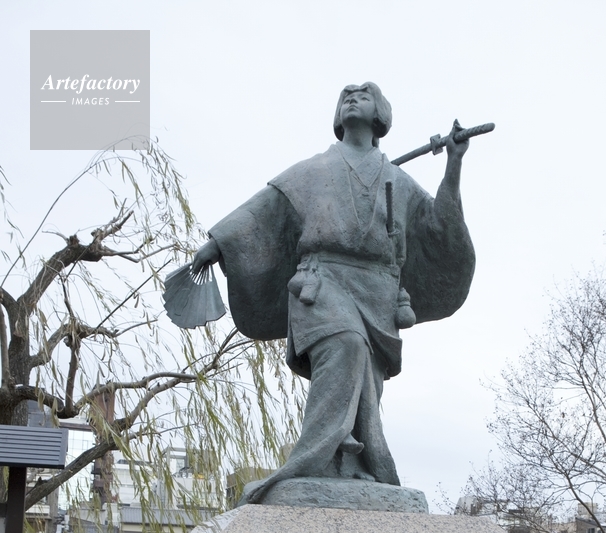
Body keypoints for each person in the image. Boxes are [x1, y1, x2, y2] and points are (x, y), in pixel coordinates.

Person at [192, 82, 475, 503]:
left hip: (379, 291)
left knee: (368, 383)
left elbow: (439, 227)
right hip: (321, 281)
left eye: (363, 95)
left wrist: (453, 163)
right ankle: (309, 461)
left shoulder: (398, 179)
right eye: (346, 96)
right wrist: (218, 244)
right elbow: (263, 209)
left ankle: (354, 465)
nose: (352, 99)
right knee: (346, 345)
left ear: (380, 114)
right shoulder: (312, 171)